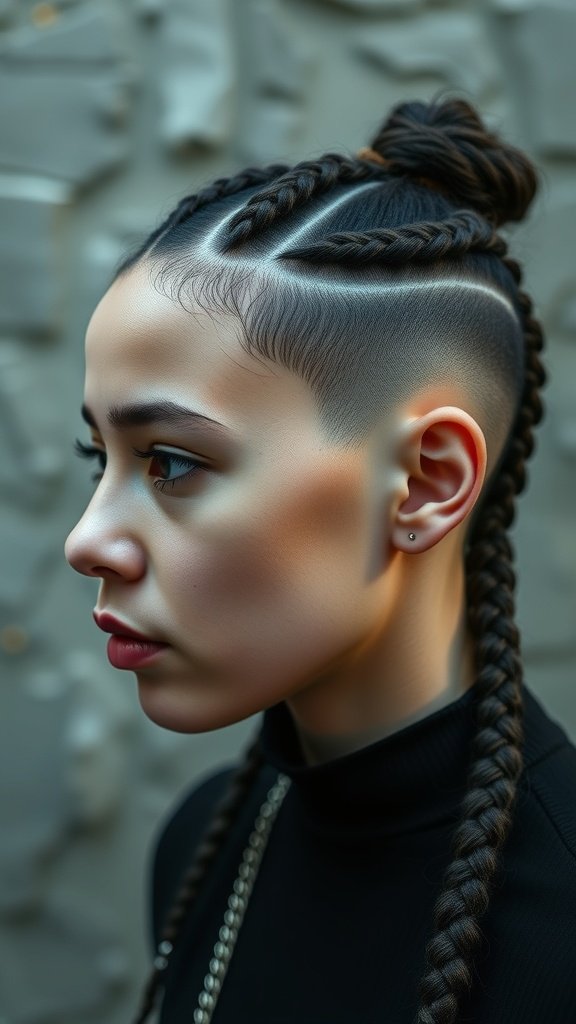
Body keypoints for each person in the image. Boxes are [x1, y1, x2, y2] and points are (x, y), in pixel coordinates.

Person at [64, 97, 576, 1024]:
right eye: (100, 458)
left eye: (171, 463)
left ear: (425, 484)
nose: (86, 540)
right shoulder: (201, 844)